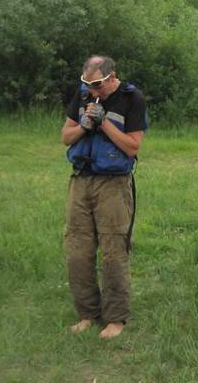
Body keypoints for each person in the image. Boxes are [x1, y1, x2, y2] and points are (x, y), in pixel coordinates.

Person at [60, 56, 148, 339]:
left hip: (113, 184)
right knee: (78, 249)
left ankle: (115, 319)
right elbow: (66, 136)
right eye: (87, 84)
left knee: (113, 251)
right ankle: (87, 313)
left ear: (112, 78)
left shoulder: (132, 98)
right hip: (81, 179)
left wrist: (105, 124)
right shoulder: (83, 94)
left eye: (97, 85)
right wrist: (84, 125)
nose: (92, 90)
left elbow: (133, 147)